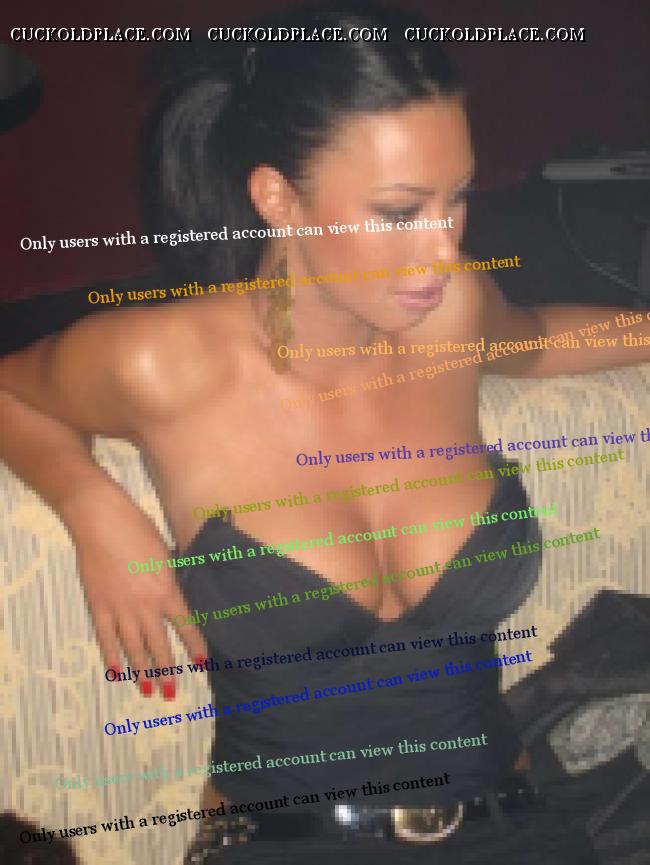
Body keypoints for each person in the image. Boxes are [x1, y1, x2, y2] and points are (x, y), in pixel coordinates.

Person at [1, 3, 647, 862]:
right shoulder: (166, 361)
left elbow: (536, 339)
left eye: (456, 199)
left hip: (514, 828)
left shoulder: (449, 314)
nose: (443, 248)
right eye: (398, 210)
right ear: (279, 198)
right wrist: (92, 507)